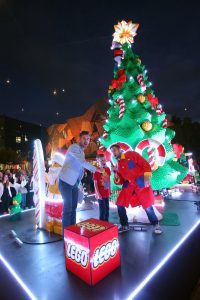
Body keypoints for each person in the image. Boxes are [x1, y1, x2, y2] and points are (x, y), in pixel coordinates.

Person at [110, 144, 162, 234]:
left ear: (119, 149)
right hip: (129, 187)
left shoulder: (131, 154)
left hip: (140, 184)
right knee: (119, 203)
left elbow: (145, 164)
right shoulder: (117, 165)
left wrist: (146, 178)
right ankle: (124, 225)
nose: (113, 153)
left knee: (148, 206)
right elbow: (120, 181)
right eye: (112, 151)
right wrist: (115, 173)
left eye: (114, 150)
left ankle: (155, 224)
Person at [58, 131, 102, 234]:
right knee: (68, 208)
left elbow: (79, 168)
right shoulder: (74, 147)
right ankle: (66, 234)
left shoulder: (81, 152)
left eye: (88, 139)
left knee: (73, 208)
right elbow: (82, 162)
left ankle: (72, 230)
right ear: (79, 139)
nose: (86, 141)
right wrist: (97, 169)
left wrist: (79, 183)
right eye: (84, 139)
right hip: (65, 182)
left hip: (73, 183)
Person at [93, 154, 111, 222]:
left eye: (104, 160)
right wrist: (98, 193)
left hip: (106, 192)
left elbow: (108, 181)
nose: (103, 161)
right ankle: (102, 224)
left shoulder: (107, 169)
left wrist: (110, 190)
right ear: (98, 161)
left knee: (107, 209)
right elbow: (95, 183)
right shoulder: (96, 170)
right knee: (102, 209)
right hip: (100, 193)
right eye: (101, 160)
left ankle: (106, 223)